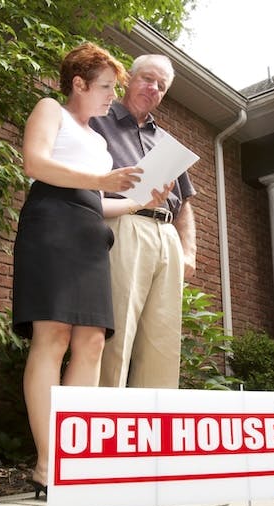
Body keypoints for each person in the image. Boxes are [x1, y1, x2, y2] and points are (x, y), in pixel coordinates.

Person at [12, 43, 168, 496]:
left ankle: (75, 462)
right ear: (77, 84)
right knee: (53, 336)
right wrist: (101, 180)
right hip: (51, 227)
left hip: (89, 233)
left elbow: (97, 202)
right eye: (103, 88)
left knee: (93, 342)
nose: (109, 97)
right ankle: (47, 465)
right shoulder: (49, 110)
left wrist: (140, 201)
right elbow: (34, 163)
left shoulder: (100, 142)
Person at [91, 54, 198, 391]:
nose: (153, 89)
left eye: (161, 86)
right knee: (116, 331)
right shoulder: (97, 122)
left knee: (163, 340)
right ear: (130, 79)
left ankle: (153, 433)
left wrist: (189, 252)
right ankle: (105, 426)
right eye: (148, 79)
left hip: (167, 236)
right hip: (123, 225)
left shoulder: (167, 142)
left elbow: (185, 204)